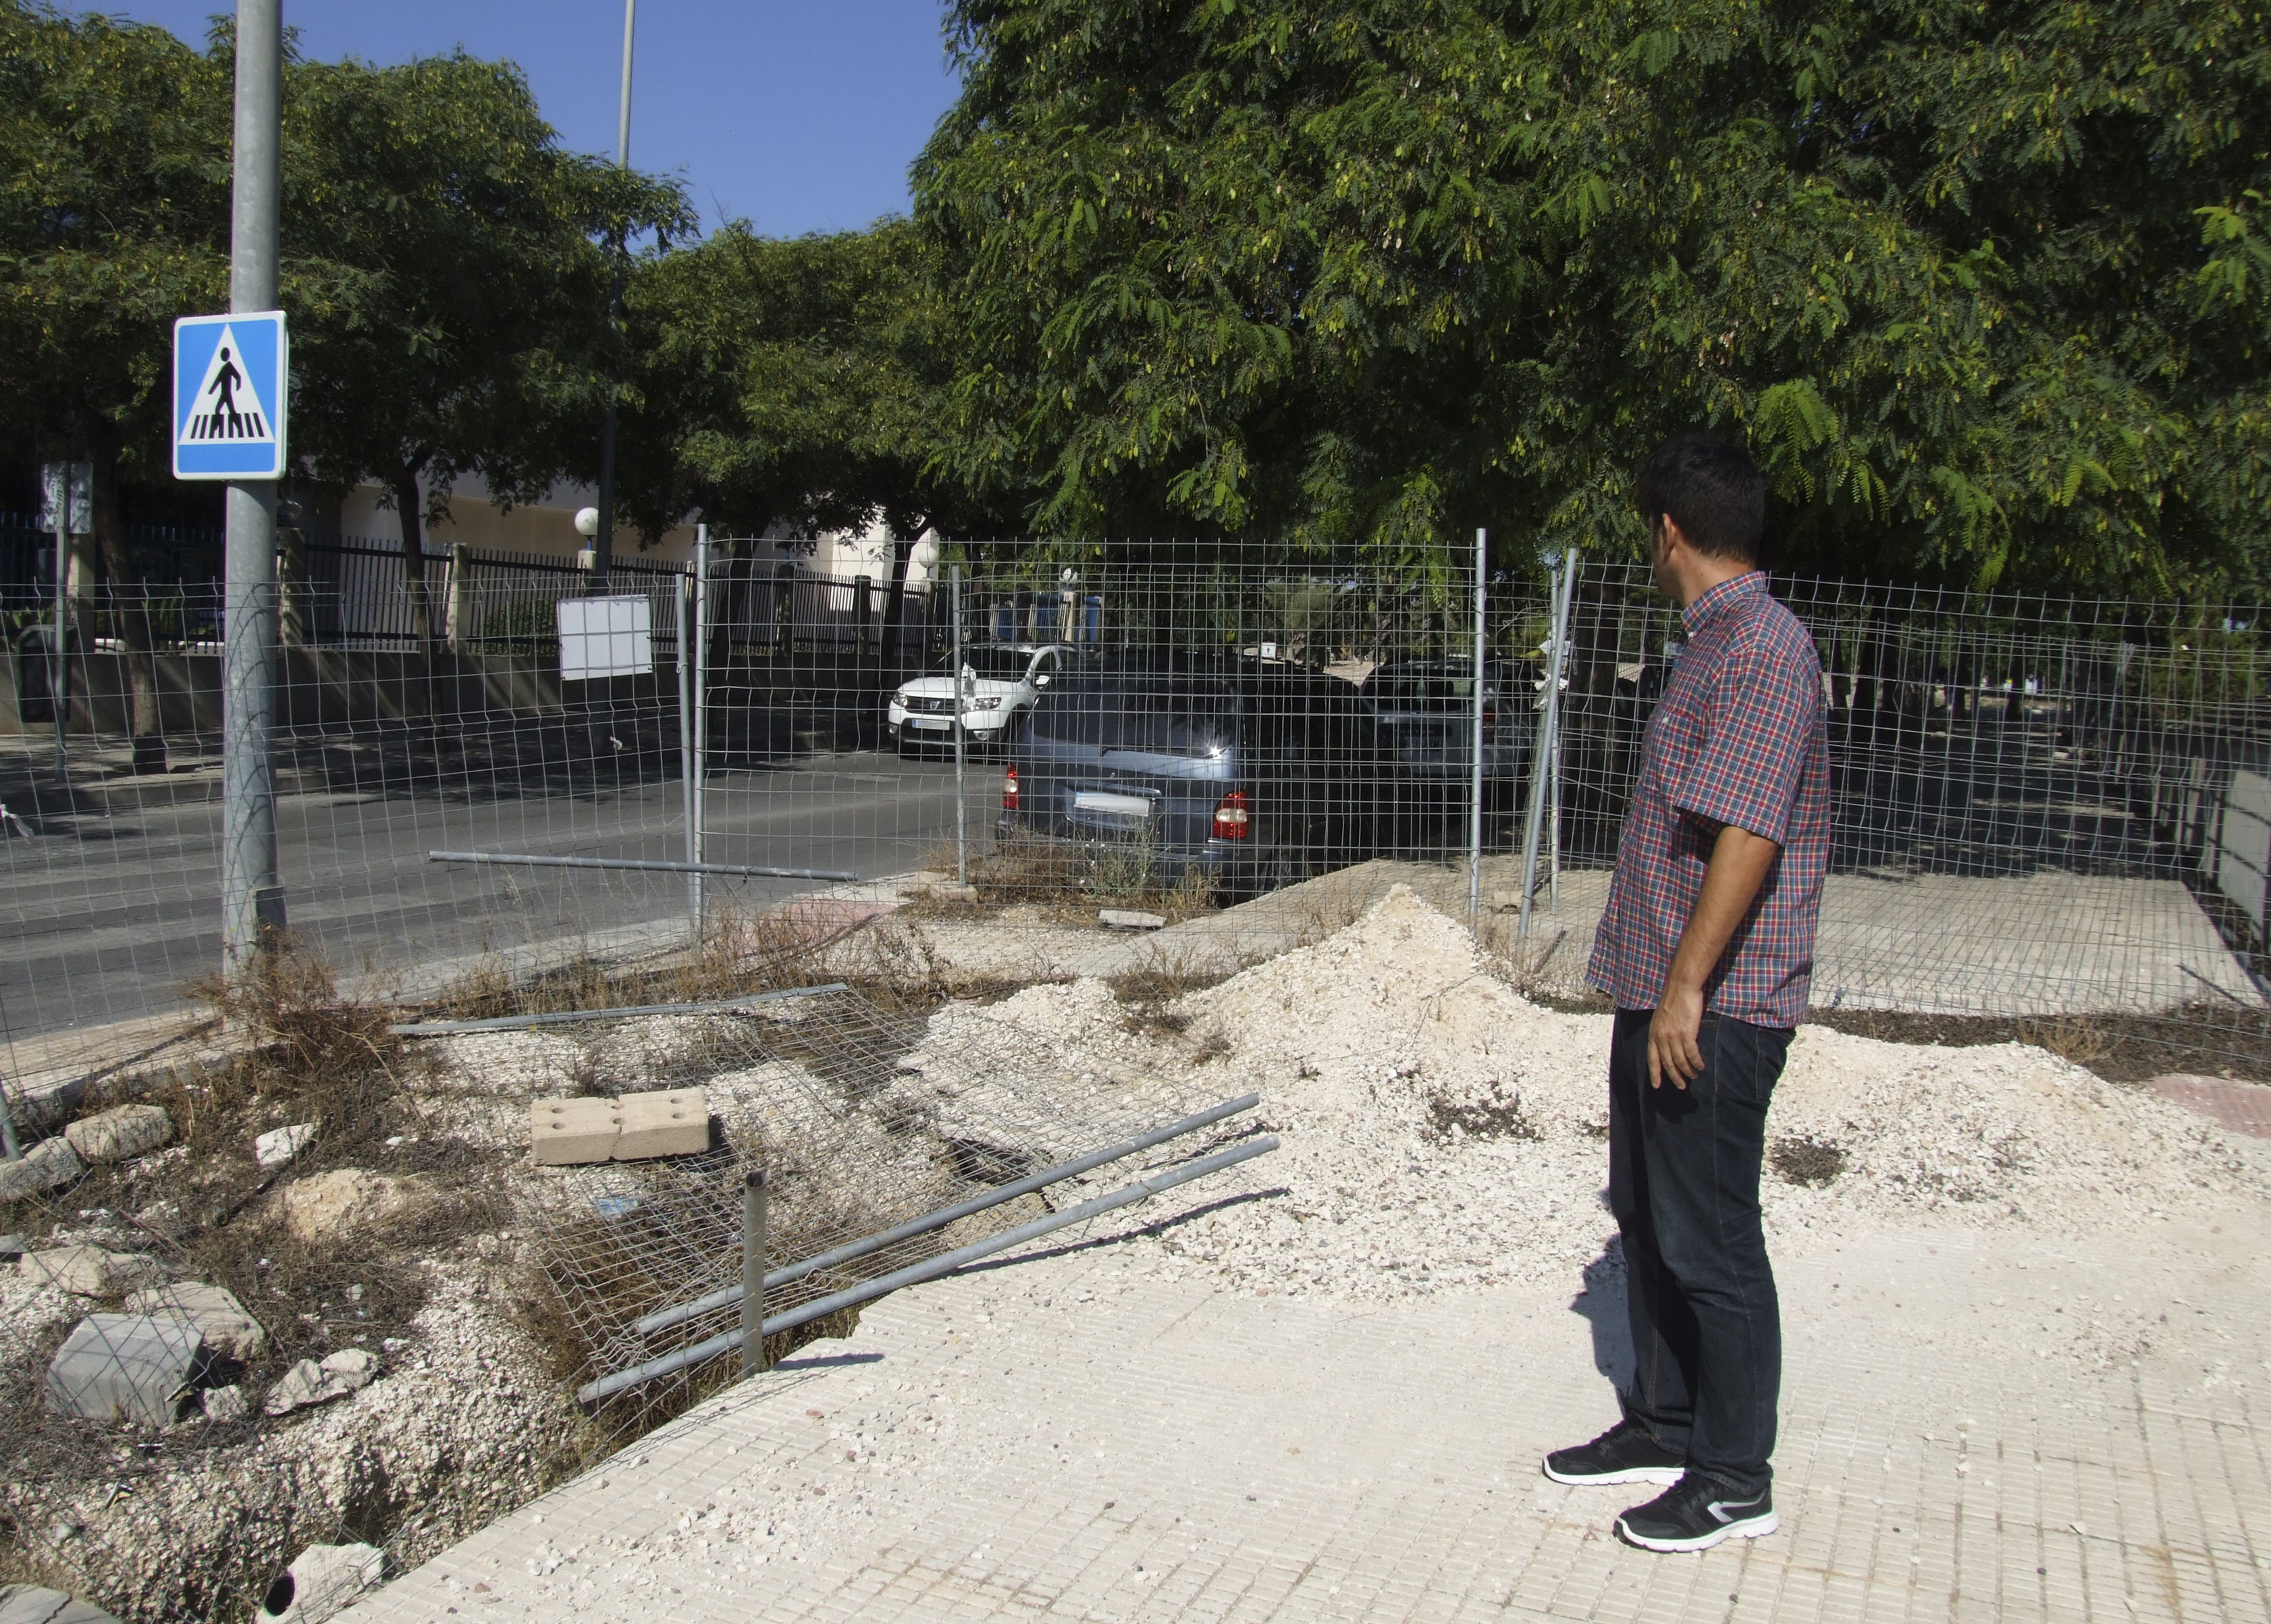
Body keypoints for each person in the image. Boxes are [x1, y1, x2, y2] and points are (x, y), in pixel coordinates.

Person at [1541, 433, 1829, 1553]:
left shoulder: (1764, 648)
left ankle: (1733, 1473)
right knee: (1649, 1217)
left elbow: (1748, 833)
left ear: (1669, 531)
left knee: (1712, 1238)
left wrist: (1687, 989)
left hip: (1717, 1004)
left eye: (1643, 534)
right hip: (1662, 988)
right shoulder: (1713, 643)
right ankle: (1662, 1420)